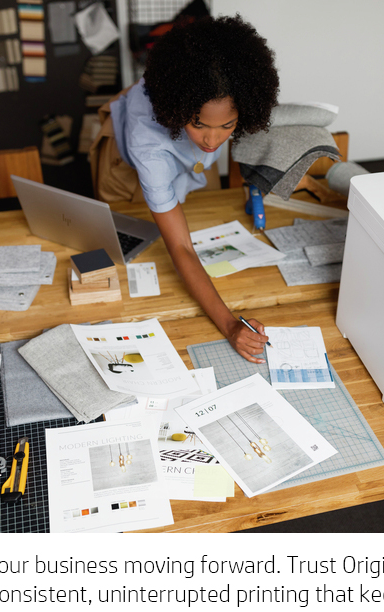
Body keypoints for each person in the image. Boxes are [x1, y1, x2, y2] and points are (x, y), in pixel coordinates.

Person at [89, 15, 279, 363]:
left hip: (182, 152)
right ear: (180, 111)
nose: (213, 140)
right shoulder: (149, 149)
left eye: (227, 125)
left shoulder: (215, 106)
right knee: (127, 241)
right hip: (123, 161)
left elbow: (211, 131)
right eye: (199, 124)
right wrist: (229, 325)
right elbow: (180, 247)